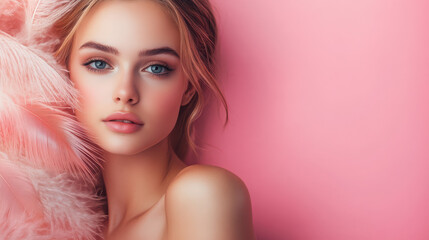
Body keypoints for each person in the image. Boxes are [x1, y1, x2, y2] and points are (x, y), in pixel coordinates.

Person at [54, 0, 256, 239]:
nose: (126, 93)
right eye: (99, 64)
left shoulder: (202, 194)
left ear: (189, 87)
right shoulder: (70, 223)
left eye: (156, 68)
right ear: (64, 74)